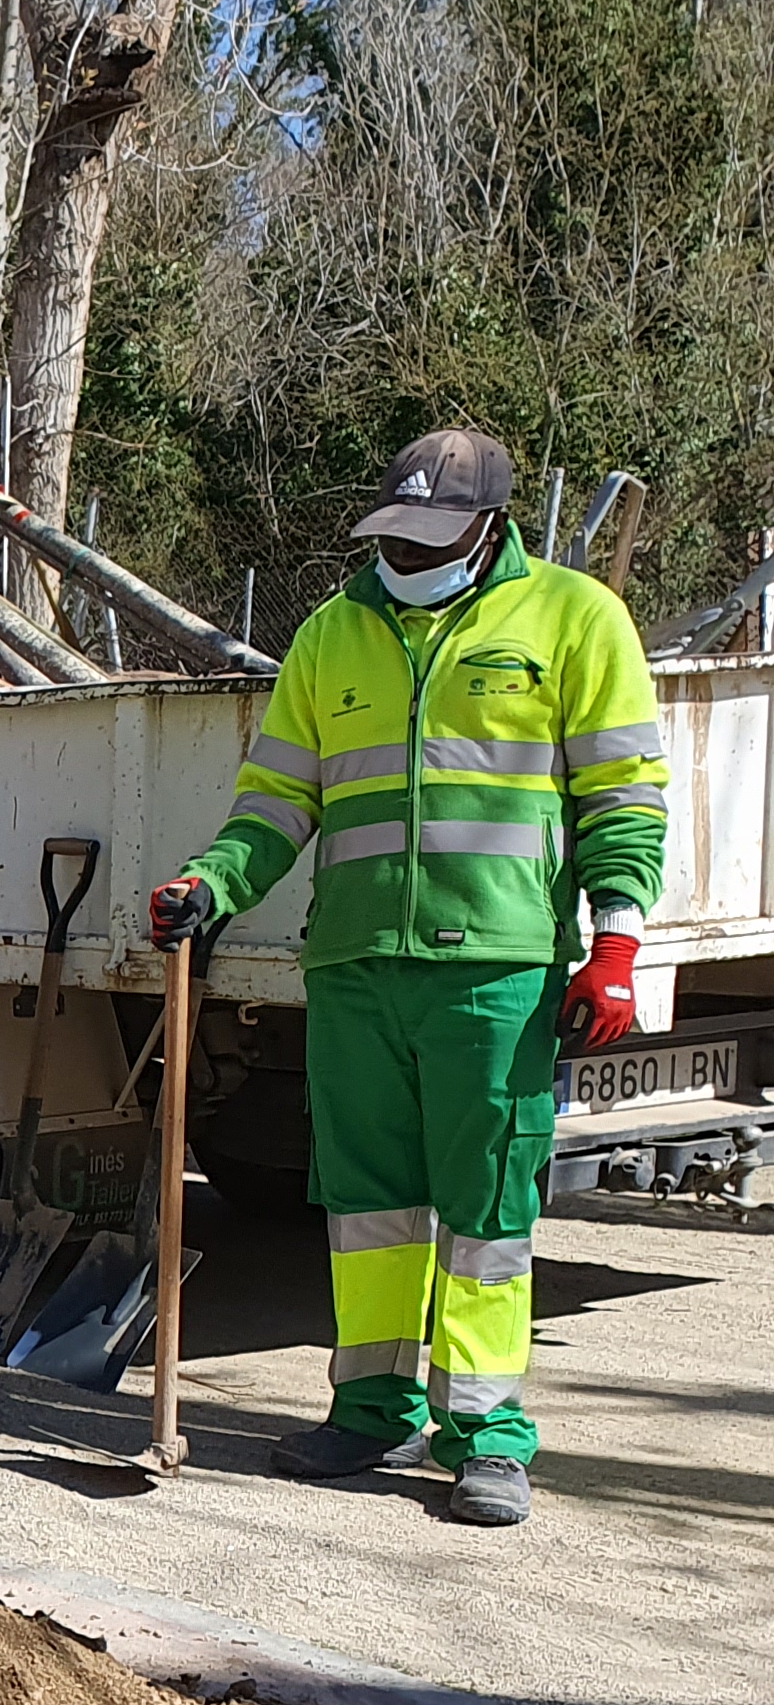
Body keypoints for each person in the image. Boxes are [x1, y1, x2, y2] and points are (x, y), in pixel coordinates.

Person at [150, 428, 664, 1528]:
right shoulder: (333, 634)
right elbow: (278, 802)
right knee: (369, 1203)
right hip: (356, 966)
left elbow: (623, 795)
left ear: (490, 528)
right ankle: (370, 1404)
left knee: (484, 1209)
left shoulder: (574, 618)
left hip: (497, 968)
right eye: (396, 534)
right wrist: (215, 881)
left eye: (433, 537)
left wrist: (617, 938)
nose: (408, 554)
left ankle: (484, 1431)